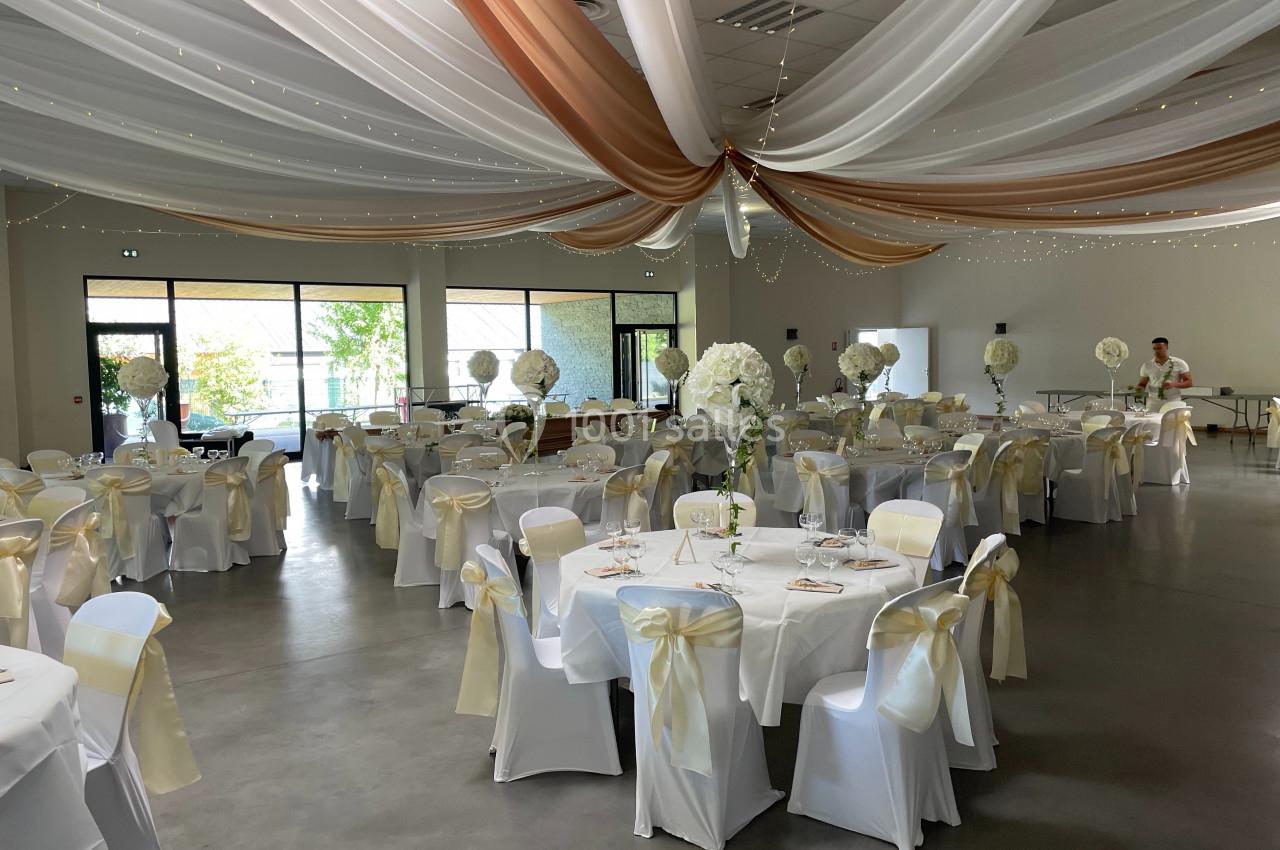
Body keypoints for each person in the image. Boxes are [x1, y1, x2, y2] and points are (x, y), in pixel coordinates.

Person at [1136, 337, 1194, 403]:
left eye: (1159, 348)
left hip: (1173, 400)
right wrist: (1139, 391)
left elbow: (1189, 382)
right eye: (1154, 349)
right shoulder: (1147, 365)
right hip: (1153, 401)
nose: (1156, 351)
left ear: (1166, 347)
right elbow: (1142, 384)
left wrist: (1174, 384)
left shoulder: (1179, 363)